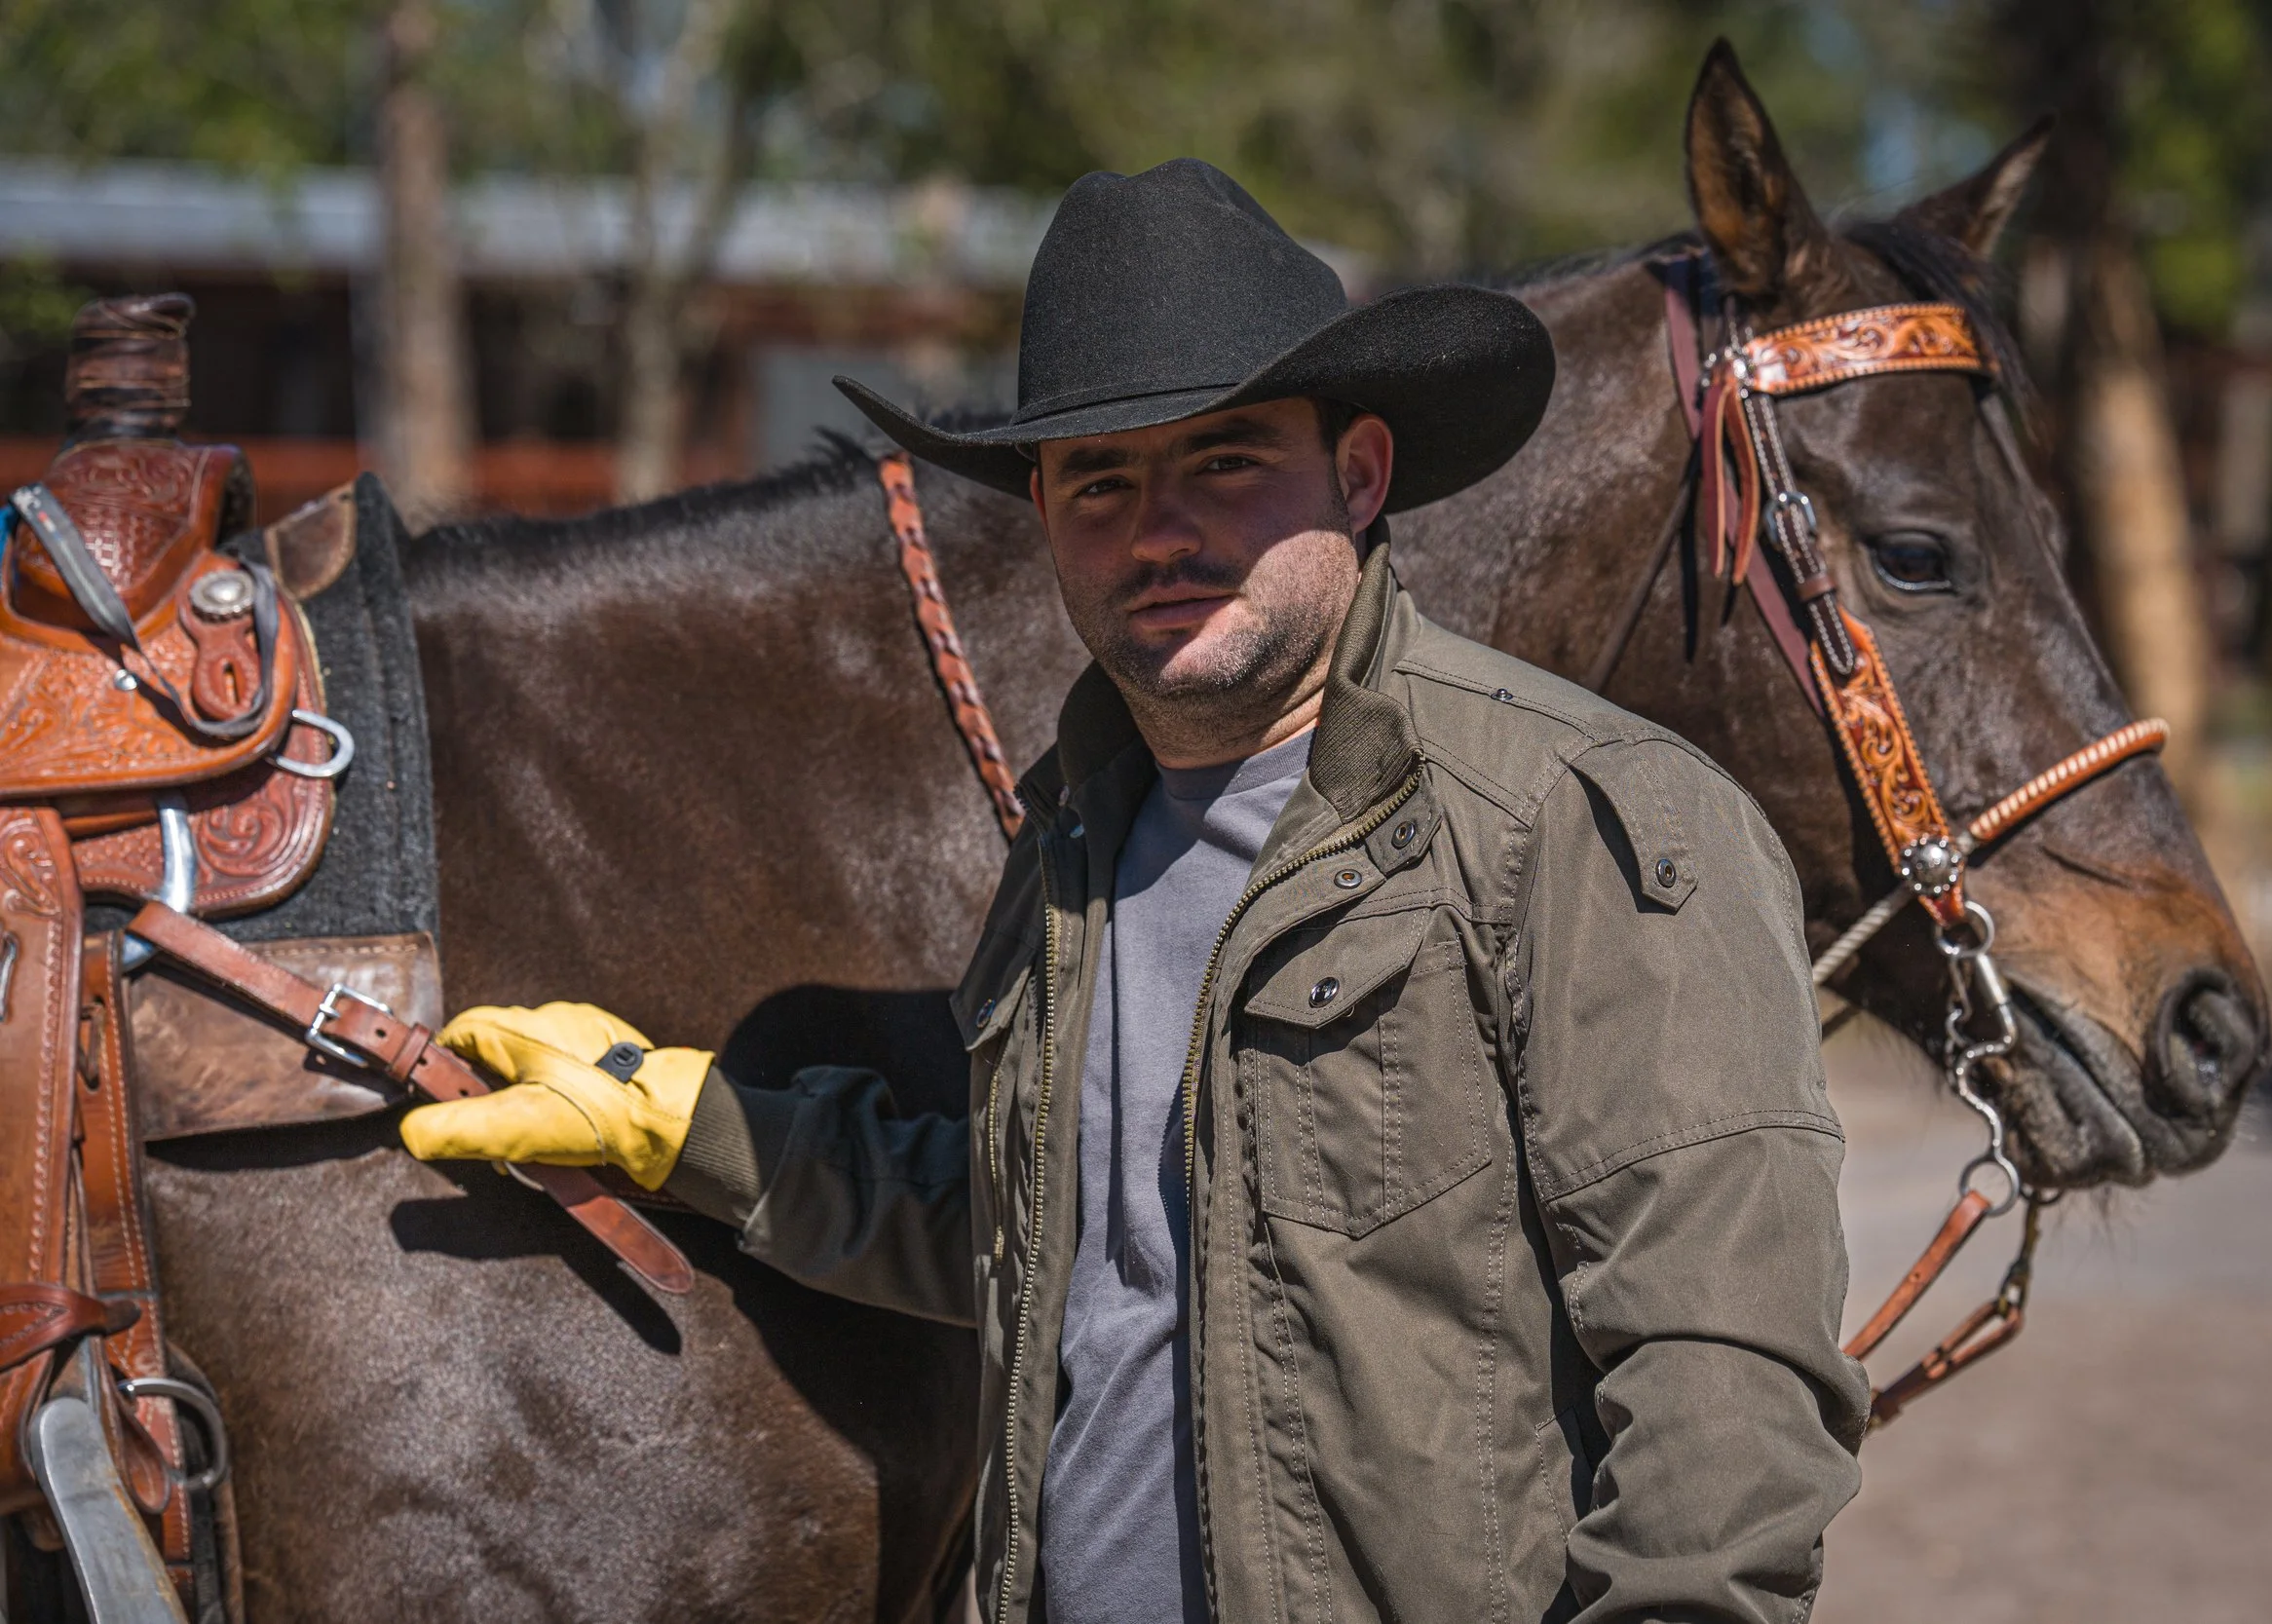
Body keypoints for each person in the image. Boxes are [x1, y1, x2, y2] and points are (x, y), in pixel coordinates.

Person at [401, 159, 1869, 1624]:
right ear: (1042, 515)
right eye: (1100, 479)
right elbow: (1053, 1243)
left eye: (1226, 460)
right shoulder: (1074, 849)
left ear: (1361, 474)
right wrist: (689, 1127)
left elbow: (1726, 1409)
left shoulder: (1581, 820)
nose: (1158, 529)